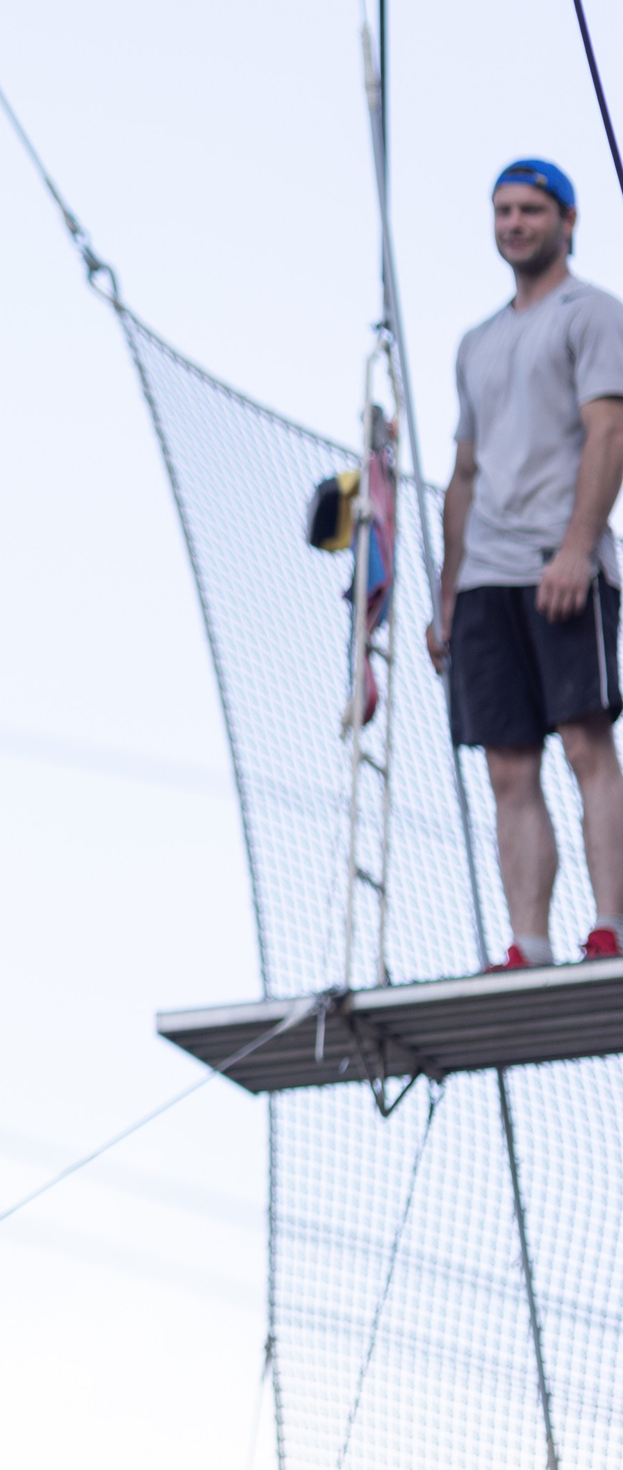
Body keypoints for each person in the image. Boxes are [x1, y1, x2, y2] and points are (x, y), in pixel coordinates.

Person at [431, 158, 623, 969]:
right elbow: (465, 473)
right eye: (503, 211)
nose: (515, 224)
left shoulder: (592, 315)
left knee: (585, 743)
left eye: (531, 210)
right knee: (508, 764)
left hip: (560, 558)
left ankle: (610, 925)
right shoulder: (477, 341)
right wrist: (448, 596)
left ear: (566, 220)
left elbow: (609, 431)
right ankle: (529, 943)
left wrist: (578, 548)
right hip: (486, 579)